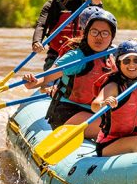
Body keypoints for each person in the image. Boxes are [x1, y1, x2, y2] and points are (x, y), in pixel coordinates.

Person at [23, 7, 117, 139]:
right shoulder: (76, 57)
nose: (99, 37)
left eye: (105, 33)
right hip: (67, 112)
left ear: (112, 37)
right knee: (113, 127)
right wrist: (33, 83)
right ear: (86, 33)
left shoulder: (112, 58)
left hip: (94, 111)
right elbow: (47, 78)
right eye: (94, 32)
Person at [32, 0, 105, 70]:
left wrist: (98, 3)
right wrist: (37, 41)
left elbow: (102, 25)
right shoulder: (54, 3)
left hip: (83, 56)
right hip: (56, 56)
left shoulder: (90, 3)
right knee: (47, 86)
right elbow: (41, 24)